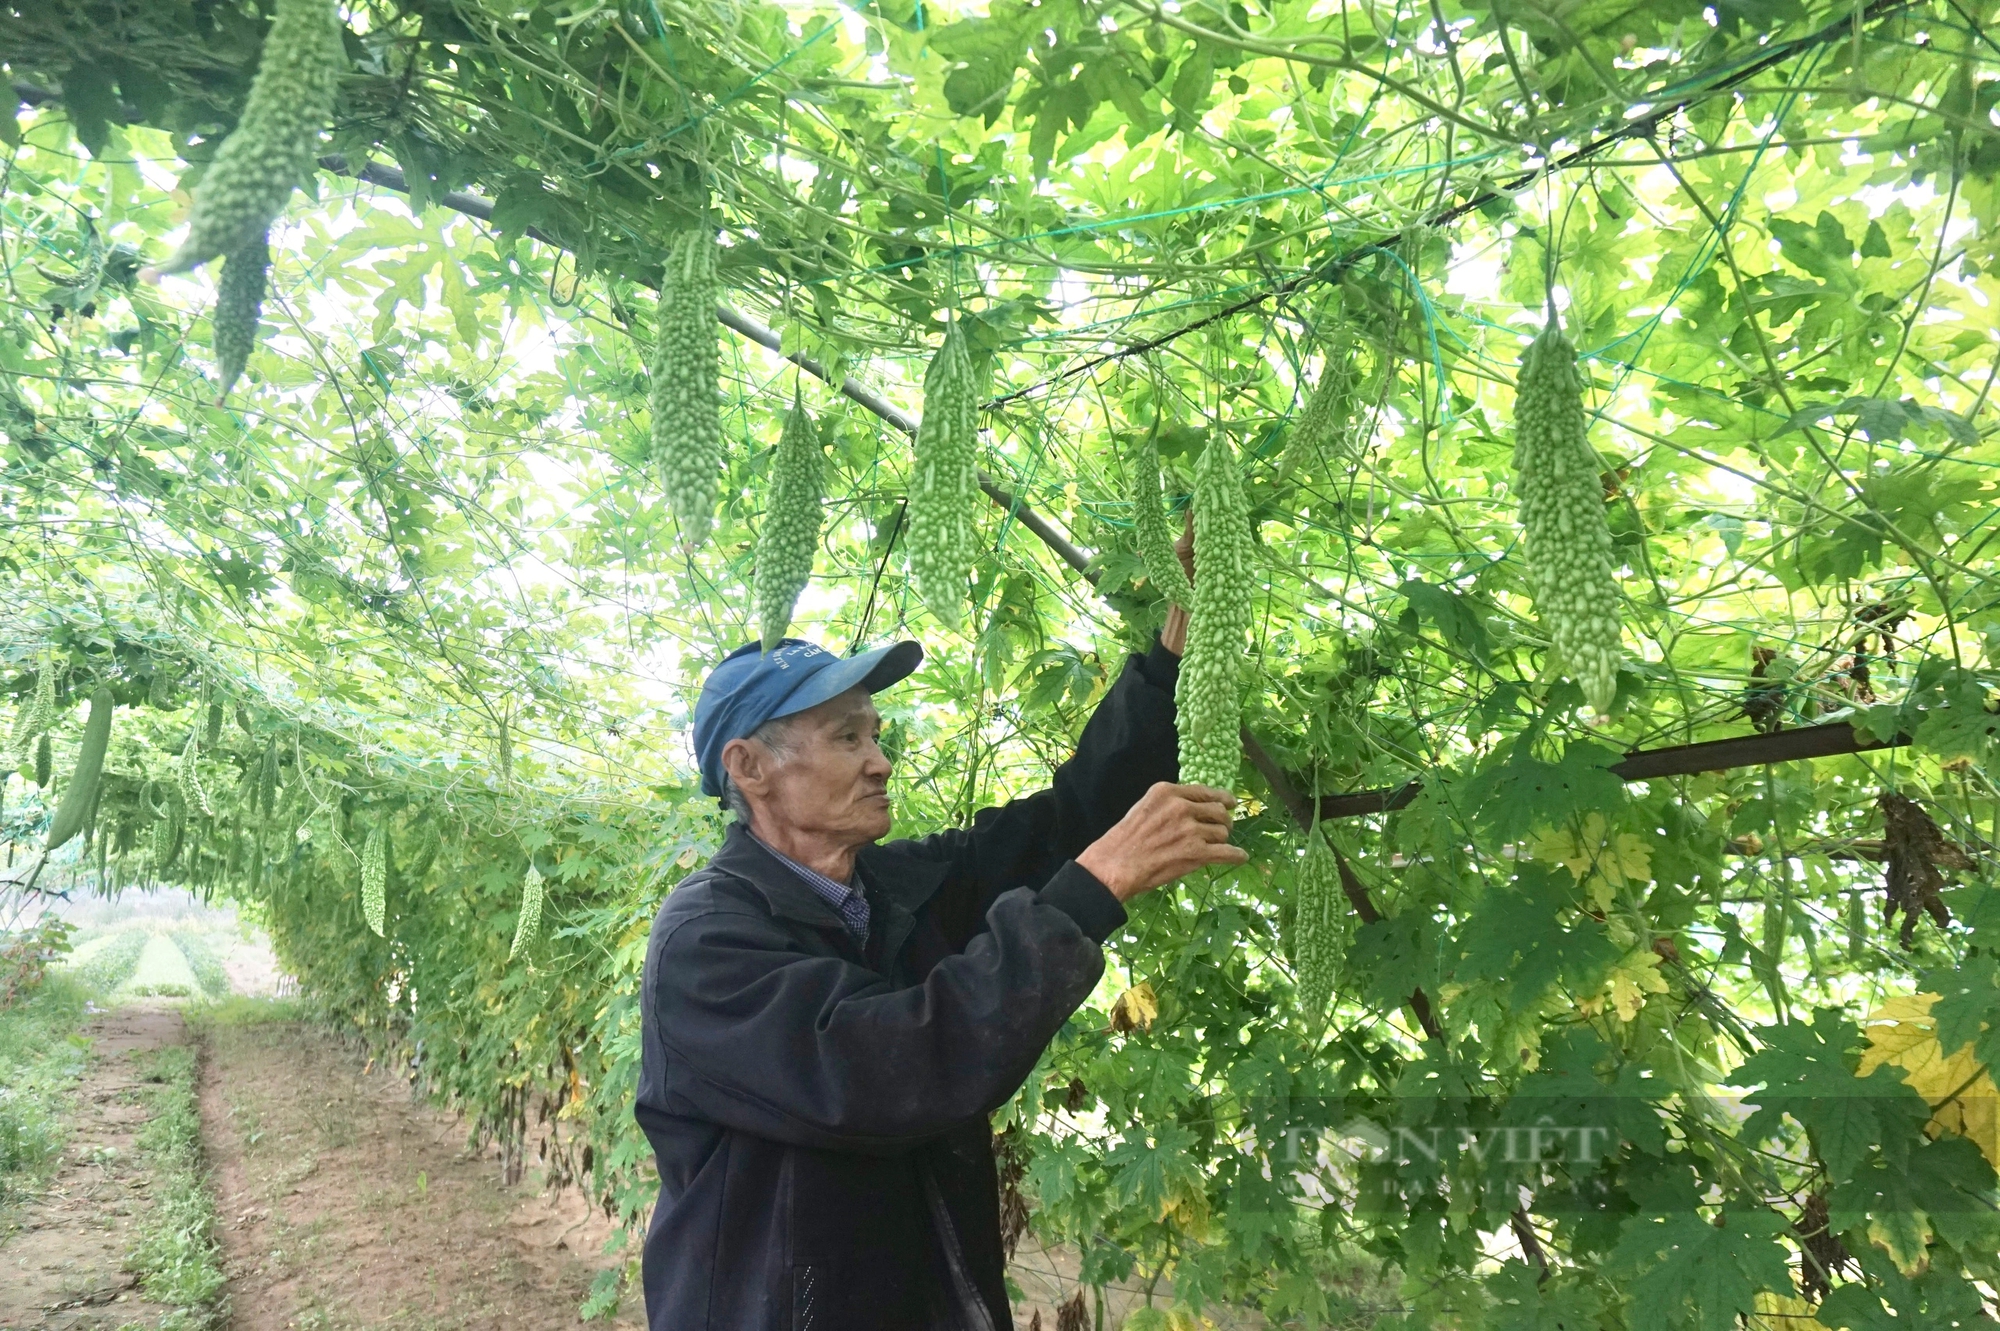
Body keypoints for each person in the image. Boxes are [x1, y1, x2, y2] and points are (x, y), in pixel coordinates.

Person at [635, 576, 1245, 1329]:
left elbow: (1073, 817)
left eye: (876, 734)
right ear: (750, 768)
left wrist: (1174, 647)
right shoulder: (706, 940)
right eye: (847, 737)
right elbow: (882, 1069)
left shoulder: (903, 891)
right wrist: (1094, 888)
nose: (880, 761)